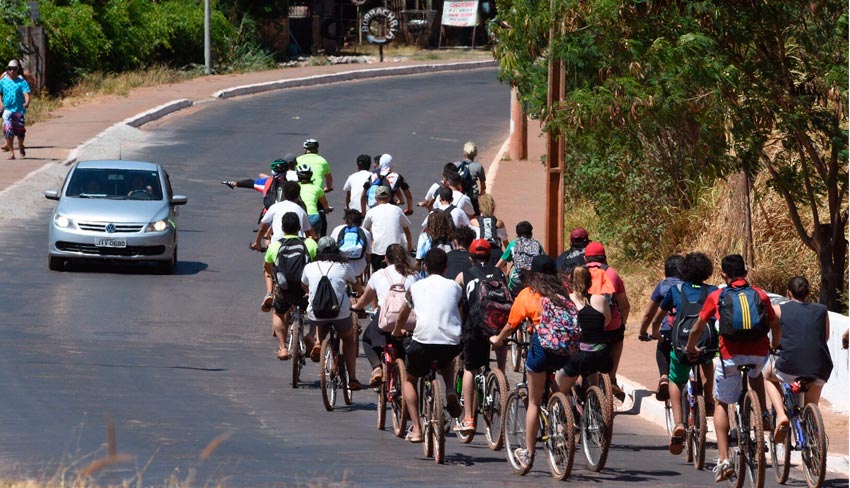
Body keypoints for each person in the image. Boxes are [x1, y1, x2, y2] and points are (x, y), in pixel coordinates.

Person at [684, 254, 780, 483]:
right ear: (746, 273)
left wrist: (691, 346)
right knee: (756, 373)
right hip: (759, 353)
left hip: (730, 355)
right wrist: (775, 344)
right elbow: (775, 321)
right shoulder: (760, 294)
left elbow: (698, 325)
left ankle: (724, 459)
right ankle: (762, 413)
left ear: (723, 275)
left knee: (721, 402)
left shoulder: (717, 295)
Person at [490, 254, 573, 469]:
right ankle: (562, 415)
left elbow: (511, 324)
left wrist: (497, 340)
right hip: (565, 349)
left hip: (542, 347)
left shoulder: (528, 294)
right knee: (551, 376)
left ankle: (528, 453)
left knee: (534, 401)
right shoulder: (562, 293)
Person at [392, 248, 463, 443]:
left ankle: (416, 428)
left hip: (423, 343)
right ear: (446, 267)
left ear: (424, 266)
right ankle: (449, 390)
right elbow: (458, 311)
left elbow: (403, 314)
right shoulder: (454, 287)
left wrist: (397, 331)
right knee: (446, 362)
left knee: (410, 379)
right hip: (450, 343)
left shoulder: (415, 287)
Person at [653, 252, 717, 455]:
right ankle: (708, 400)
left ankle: (679, 423)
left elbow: (658, 317)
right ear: (707, 272)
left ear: (684, 271)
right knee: (708, 363)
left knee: (675, 379)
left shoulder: (676, 289)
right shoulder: (713, 291)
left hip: (681, 344)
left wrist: (655, 332)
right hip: (705, 343)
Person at [764, 275, 833, 442]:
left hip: (789, 365)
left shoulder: (778, 309)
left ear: (788, 293)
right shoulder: (822, 310)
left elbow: (769, 332)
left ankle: (781, 415)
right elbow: (825, 337)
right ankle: (815, 442)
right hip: (820, 367)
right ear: (807, 293)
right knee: (812, 405)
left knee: (767, 376)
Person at [455, 238, 509, 433]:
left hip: (475, 325)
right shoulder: (499, 273)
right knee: (500, 336)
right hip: (498, 325)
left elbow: (456, 302)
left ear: (471, 258)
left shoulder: (464, 275)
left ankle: (468, 417)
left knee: (470, 369)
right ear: (489, 256)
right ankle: (501, 375)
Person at [352, 244, 419, 387]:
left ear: (386, 258)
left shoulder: (379, 275)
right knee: (405, 343)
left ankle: (377, 368)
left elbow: (366, 298)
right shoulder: (414, 275)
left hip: (386, 320)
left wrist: (356, 307)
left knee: (367, 339)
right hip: (409, 321)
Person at [301, 236, 362, 390]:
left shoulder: (310, 267)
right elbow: (356, 285)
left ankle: (319, 343)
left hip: (317, 312)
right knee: (348, 339)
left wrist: (311, 294)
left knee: (321, 319)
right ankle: (353, 378)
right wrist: (360, 294)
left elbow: (304, 285)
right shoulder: (344, 266)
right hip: (340, 313)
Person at [253, 181, 315, 311]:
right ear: (298, 195)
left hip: (277, 245)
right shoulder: (300, 210)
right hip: (299, 243)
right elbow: (310, 232)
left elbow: (263, 227)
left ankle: (269, 292)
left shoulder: (275, 207)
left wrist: (257, 242)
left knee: (267, 269)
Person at [264, 212, 317, 360]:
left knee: (279, 312)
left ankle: (282, 348)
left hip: (285, 288)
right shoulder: (310, 244)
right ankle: (311, 335)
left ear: (282, 228)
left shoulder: (275, 245)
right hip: (305, 289)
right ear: (299, 228)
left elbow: (268, 267)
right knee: (316, 310)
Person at [583, 241, 631, 398]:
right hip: (610, 324)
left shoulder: (577, 273)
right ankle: (611, 377)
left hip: (586, 327)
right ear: (604, 257)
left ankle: (579, 381)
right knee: (618, 338)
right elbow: (625, 305)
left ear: (585, 259)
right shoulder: (612, 273)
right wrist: (622, 324)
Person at [637, 254, 684, 401]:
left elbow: (648, 314)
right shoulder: (689, 285)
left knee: (662, 346)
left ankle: (664, 377)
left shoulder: (663, 286)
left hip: (667, 329)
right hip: (688, 329)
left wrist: (643, 332)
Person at [559, 265, 612, 393]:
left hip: (580, 354)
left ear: (571, 282)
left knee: (559, 388)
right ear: (590, 281)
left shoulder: (568, 300)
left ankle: (561, 405)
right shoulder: (600, 298)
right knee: (592, 365)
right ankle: (596, 400)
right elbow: (608, 321)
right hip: (602, 353)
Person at [362, 185, 414, 273]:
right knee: (398, 273)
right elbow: (407, 230)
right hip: (396, 250)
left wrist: (369, 244)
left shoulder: (371, 212)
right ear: (389, 198)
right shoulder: (397, 210)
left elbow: (365, 230)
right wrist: (409, 247)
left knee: (377, 274)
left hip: (378, 250)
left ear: (376, 198)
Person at [496, 220, 545, 296]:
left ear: (517, 234)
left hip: (516, 281)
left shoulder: (513, 244)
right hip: (533, 281)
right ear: (531, 233)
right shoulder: (537, 244)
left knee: (511, 298)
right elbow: (544, 262)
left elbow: (499, 265)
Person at [330, 209, 372, 291]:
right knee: (356, 281)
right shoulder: (364, 232)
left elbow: (332, 247)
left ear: (346, 220)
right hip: (358, 265)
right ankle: (356, 297)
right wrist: (367, 264)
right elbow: (368, 252)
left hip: (341, 264)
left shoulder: (337, 229)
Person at [0, 59, 31, 159]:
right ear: (7, 70)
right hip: (7, 109)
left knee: (20, 131)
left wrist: (27, 102)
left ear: (17, 69)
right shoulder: (3, 81)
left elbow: (26, 93)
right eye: (10, 69)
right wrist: (0, 103)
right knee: (8, 130)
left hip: (18, 109)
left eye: (14, 69)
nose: (12, 71)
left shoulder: (22, 82)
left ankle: (21, 145)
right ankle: (11, 153)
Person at [469, 193, 508, 264]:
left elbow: (470, 243)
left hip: (480, 254)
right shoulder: (499, 223)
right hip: (496, 254)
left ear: (480, 208)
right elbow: (506, 244)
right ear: (494, 207)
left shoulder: (473, 222)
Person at [295, 164, 331, 236]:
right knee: (314, 237)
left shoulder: (295, 187)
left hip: (299, 215)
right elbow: (324, 203)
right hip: (313, 216)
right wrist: (326, 209)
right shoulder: (317, 188)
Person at [455, 141, 486, 214]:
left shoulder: (456, 165)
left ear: (464, 153)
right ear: (475, 154)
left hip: (459, 197)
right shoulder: (478, 167)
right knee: (475, 219)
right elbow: (483, 188)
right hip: (472, 198)